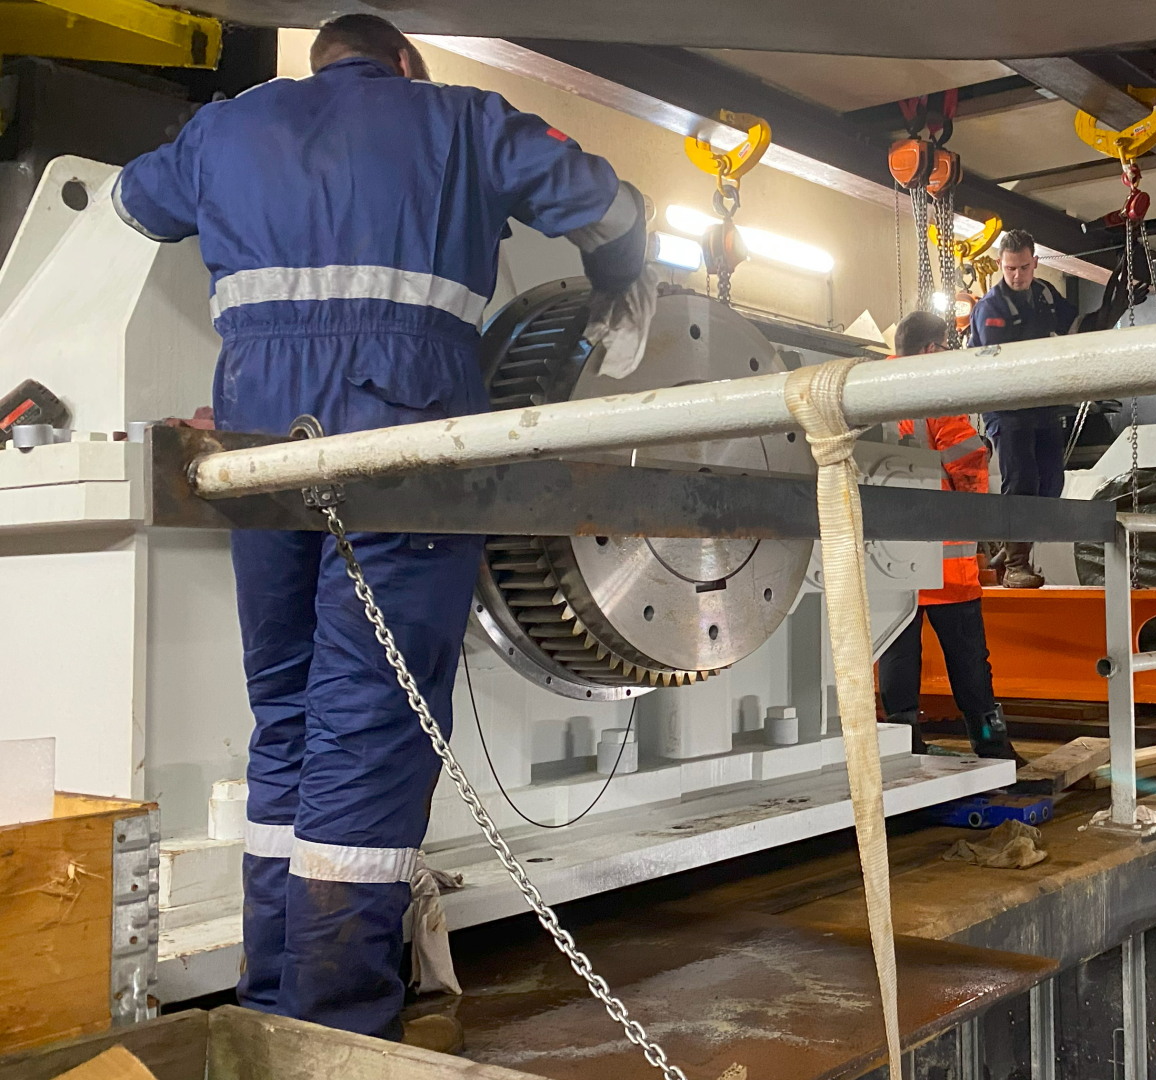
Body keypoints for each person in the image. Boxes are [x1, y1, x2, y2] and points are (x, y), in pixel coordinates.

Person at [111, 15, 654, 1042]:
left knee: (289, 714)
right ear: (405, 63)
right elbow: (604, 201)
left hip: (259, 442)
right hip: (404, 435)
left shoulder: (229, 126)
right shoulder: (459, 119)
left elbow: (139, 204)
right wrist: (628, 272)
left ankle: (274, 1002)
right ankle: (341, 1024)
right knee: (371, 721)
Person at [876, 311, 1020, 762]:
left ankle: (903, 747)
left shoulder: (873, 394)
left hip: (890, 564)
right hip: (946, 567)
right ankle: (990, 743)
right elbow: (969, 461)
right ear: (932, 350)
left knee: (898, 659)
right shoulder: (934, 394)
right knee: (970, 665)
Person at [968, 229, 1077, 588]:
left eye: (1024, 268)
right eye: (1010, 268)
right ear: (1001, 264)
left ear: (1034, 263)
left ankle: (1006, 550)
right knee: (1022, 480)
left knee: (1051, 482)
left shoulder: (1045, 294)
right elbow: (998, 361)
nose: (1017, 275)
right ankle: (1016, 565)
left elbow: (1074, 326)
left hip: (1043, 403)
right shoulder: (991, 308)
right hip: (1009, 408)